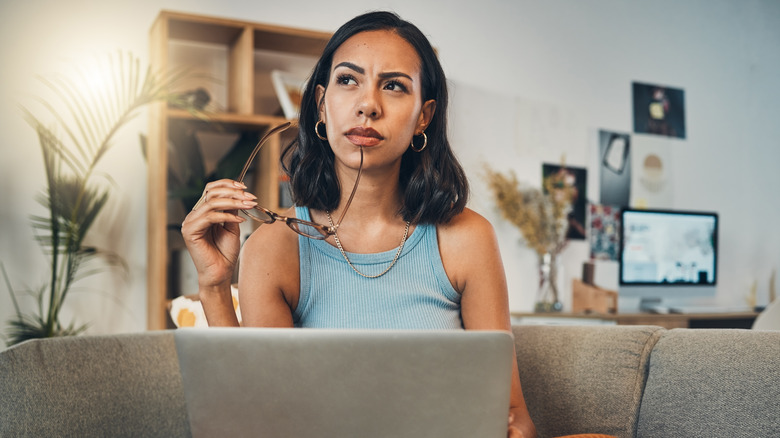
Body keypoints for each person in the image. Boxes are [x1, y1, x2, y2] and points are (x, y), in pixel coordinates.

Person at [181, 11, 537, 438]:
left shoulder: (467, 239)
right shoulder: (274, 247)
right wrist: (215, 286)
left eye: (394, 85)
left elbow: (513, 415)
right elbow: (260, 420)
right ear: (321, 104)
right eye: (348, 80)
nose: (368, 104)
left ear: (423, 117)